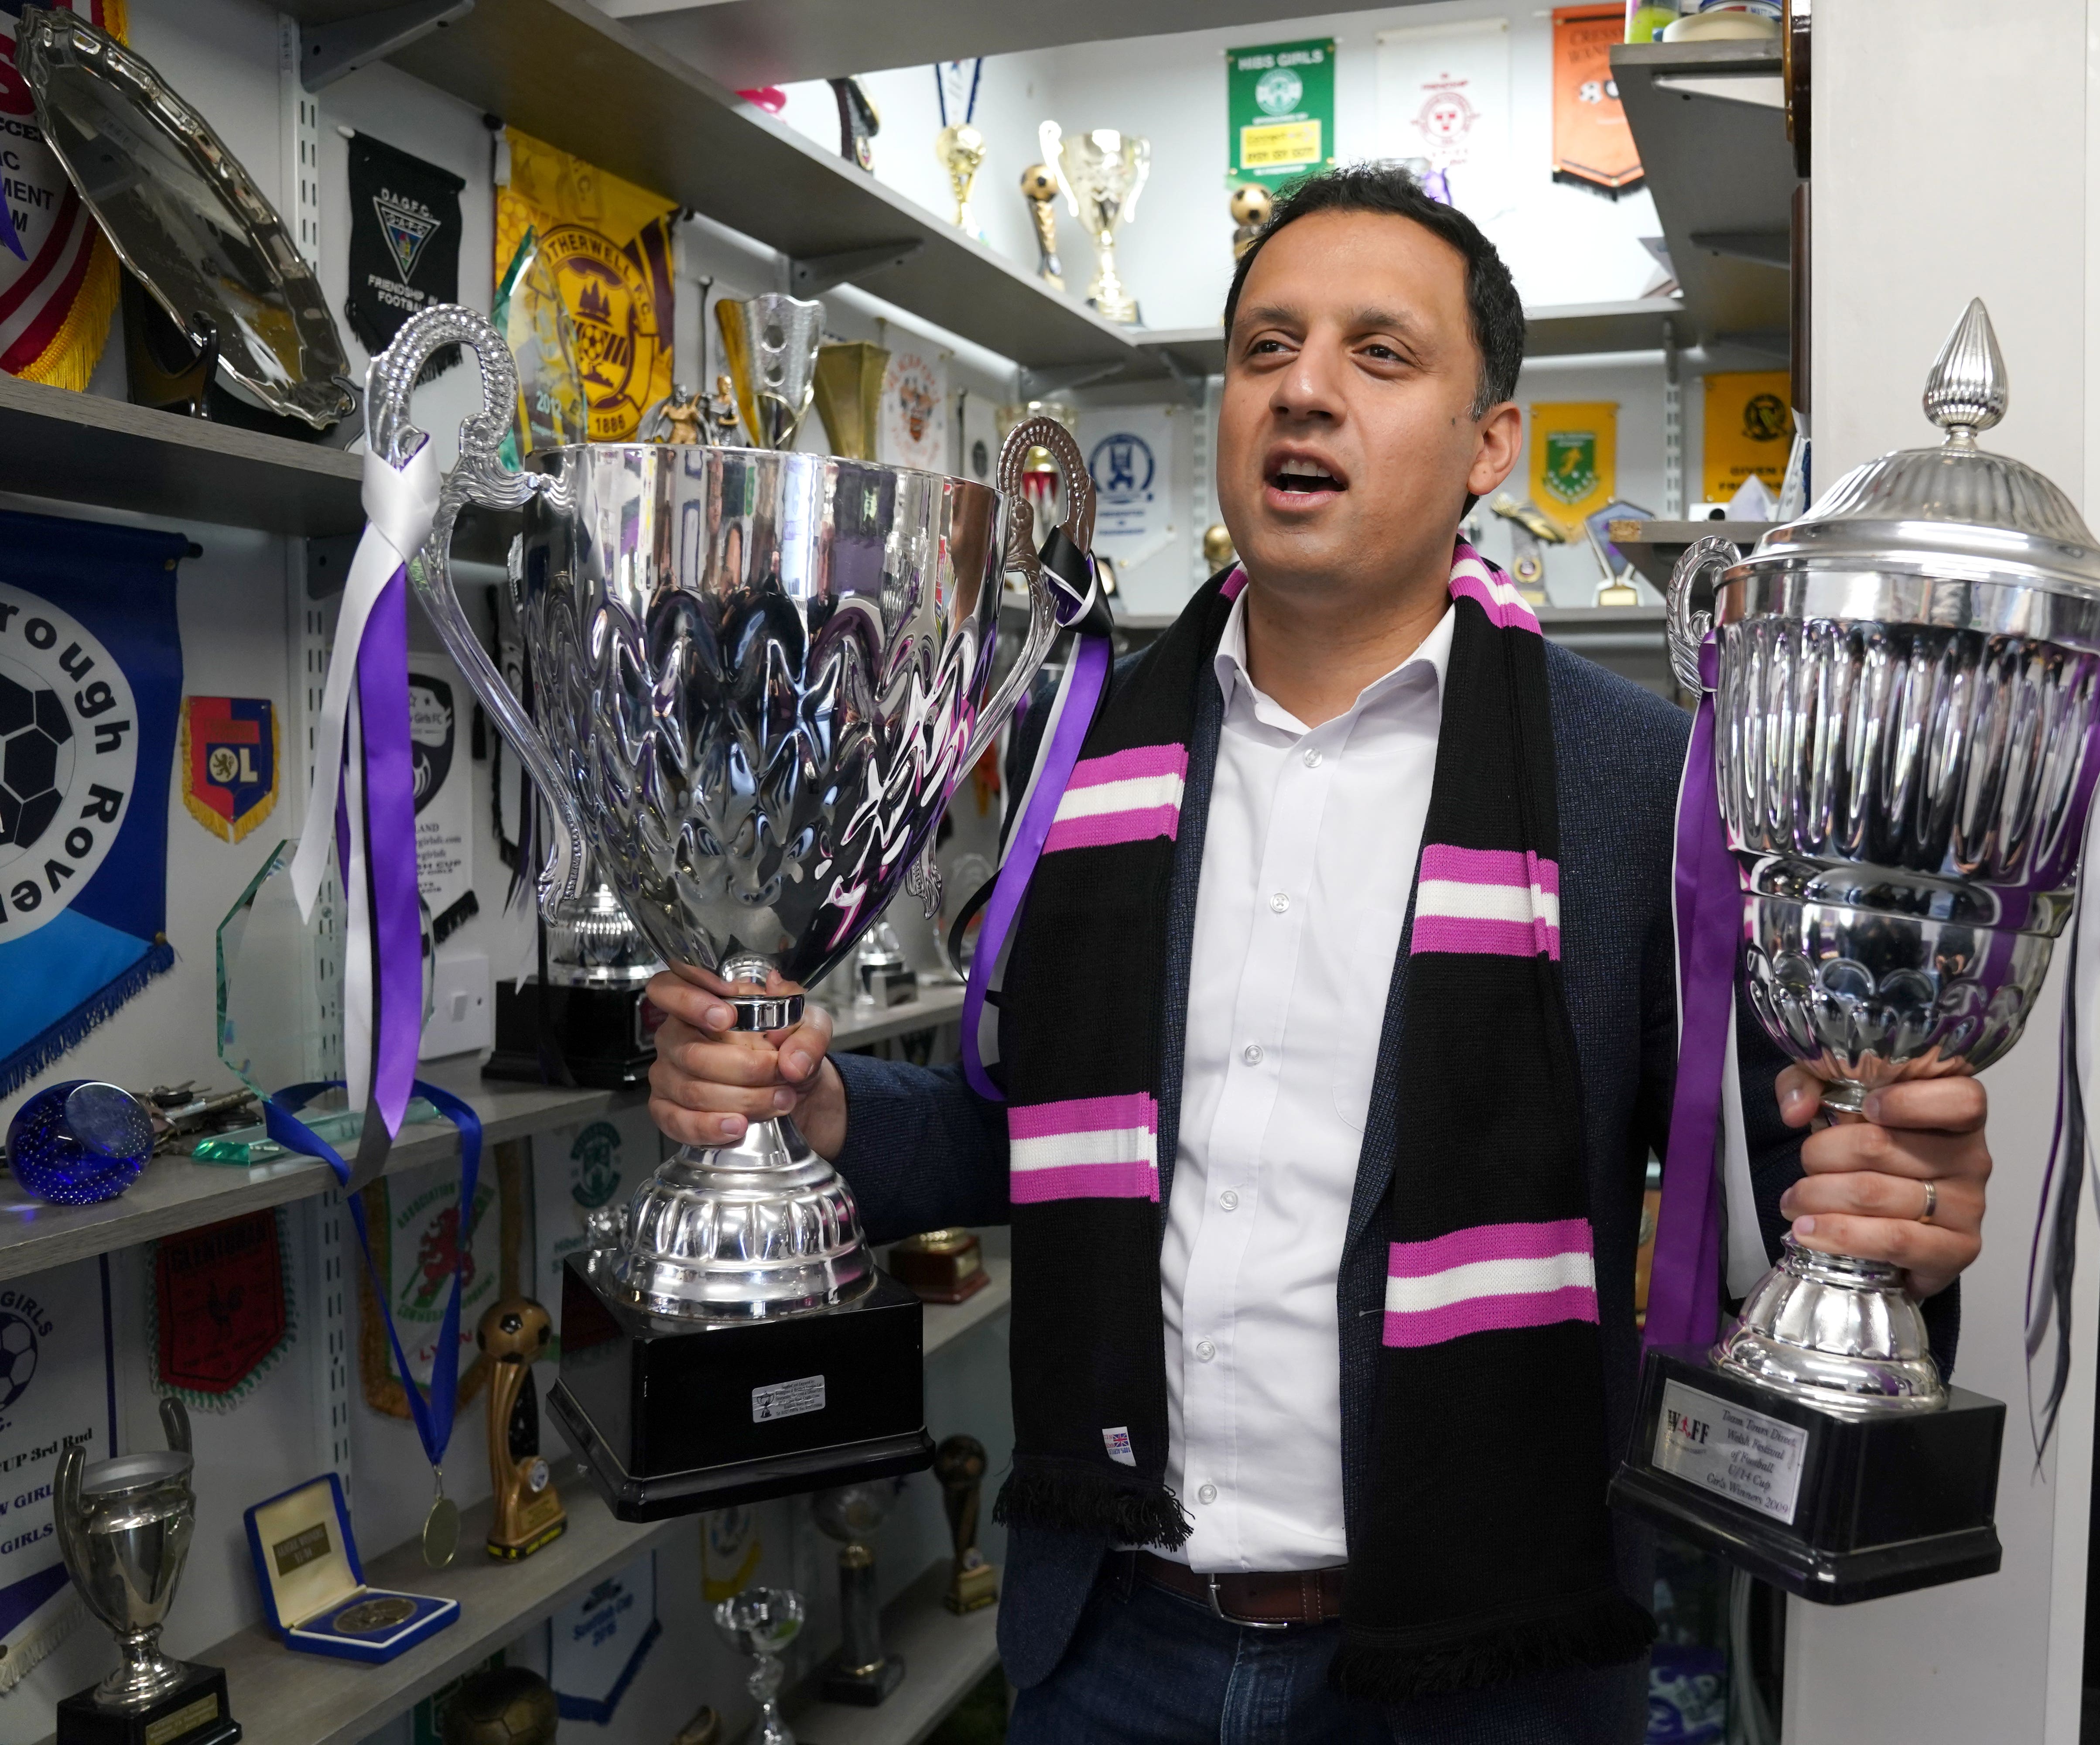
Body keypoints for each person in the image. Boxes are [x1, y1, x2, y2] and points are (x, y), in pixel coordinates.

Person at [645, 167, 1992, 1744]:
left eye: (1380, 354)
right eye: (1267, 345)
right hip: (1111, 1648)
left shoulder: (1647, 786)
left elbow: (1757, 1216)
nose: (1304, 389)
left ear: (1492, 441)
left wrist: (1882, 1220)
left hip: (1483, 1674)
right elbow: (1017, 1138)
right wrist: (812, 1113)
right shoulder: (1084, 754)